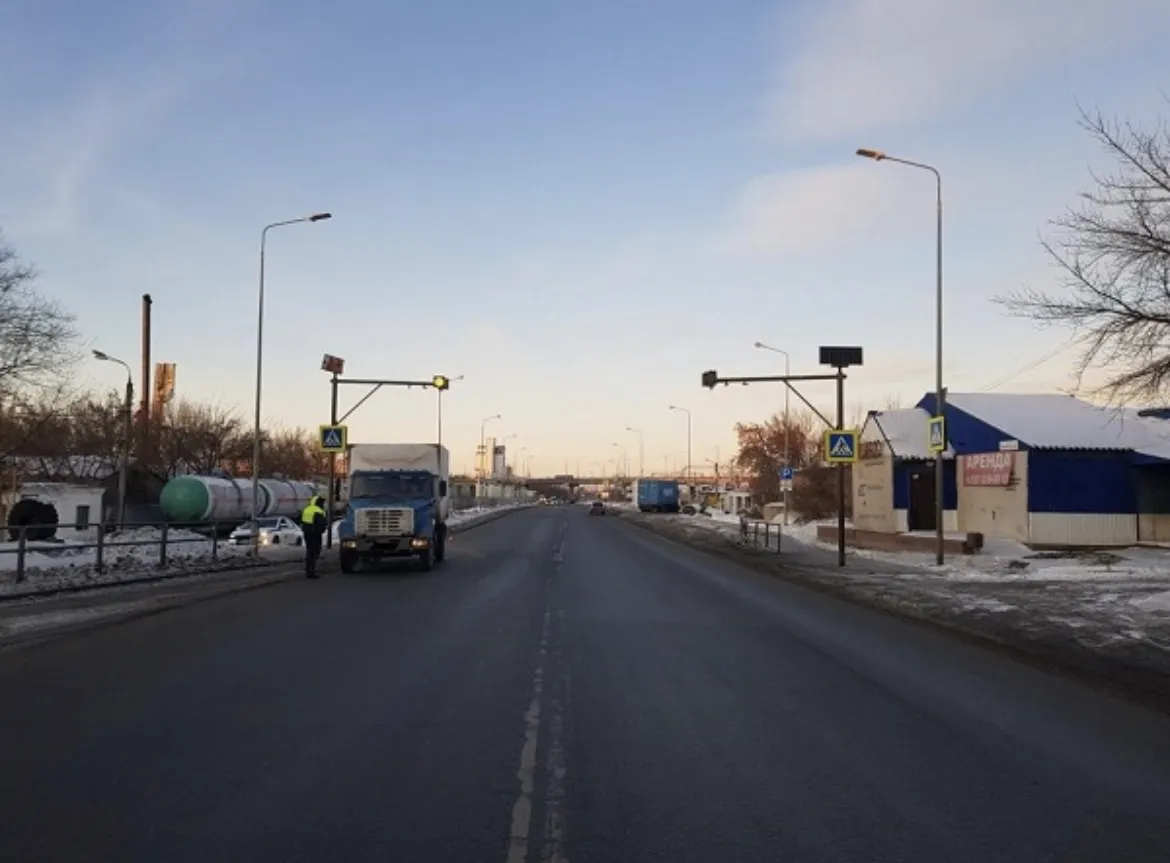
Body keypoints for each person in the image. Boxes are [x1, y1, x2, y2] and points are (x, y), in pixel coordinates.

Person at [299, 494, 328, 579]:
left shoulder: (307, 509)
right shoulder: (318, 511)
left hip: (307, 533)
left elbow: (301, 520)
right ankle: (311, 570)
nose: (323, 505)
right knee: (315, 551)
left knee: (310, 551)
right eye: (322, 503)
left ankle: (309, 569)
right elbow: (321, 523)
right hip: (315, 534)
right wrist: (324, 528)